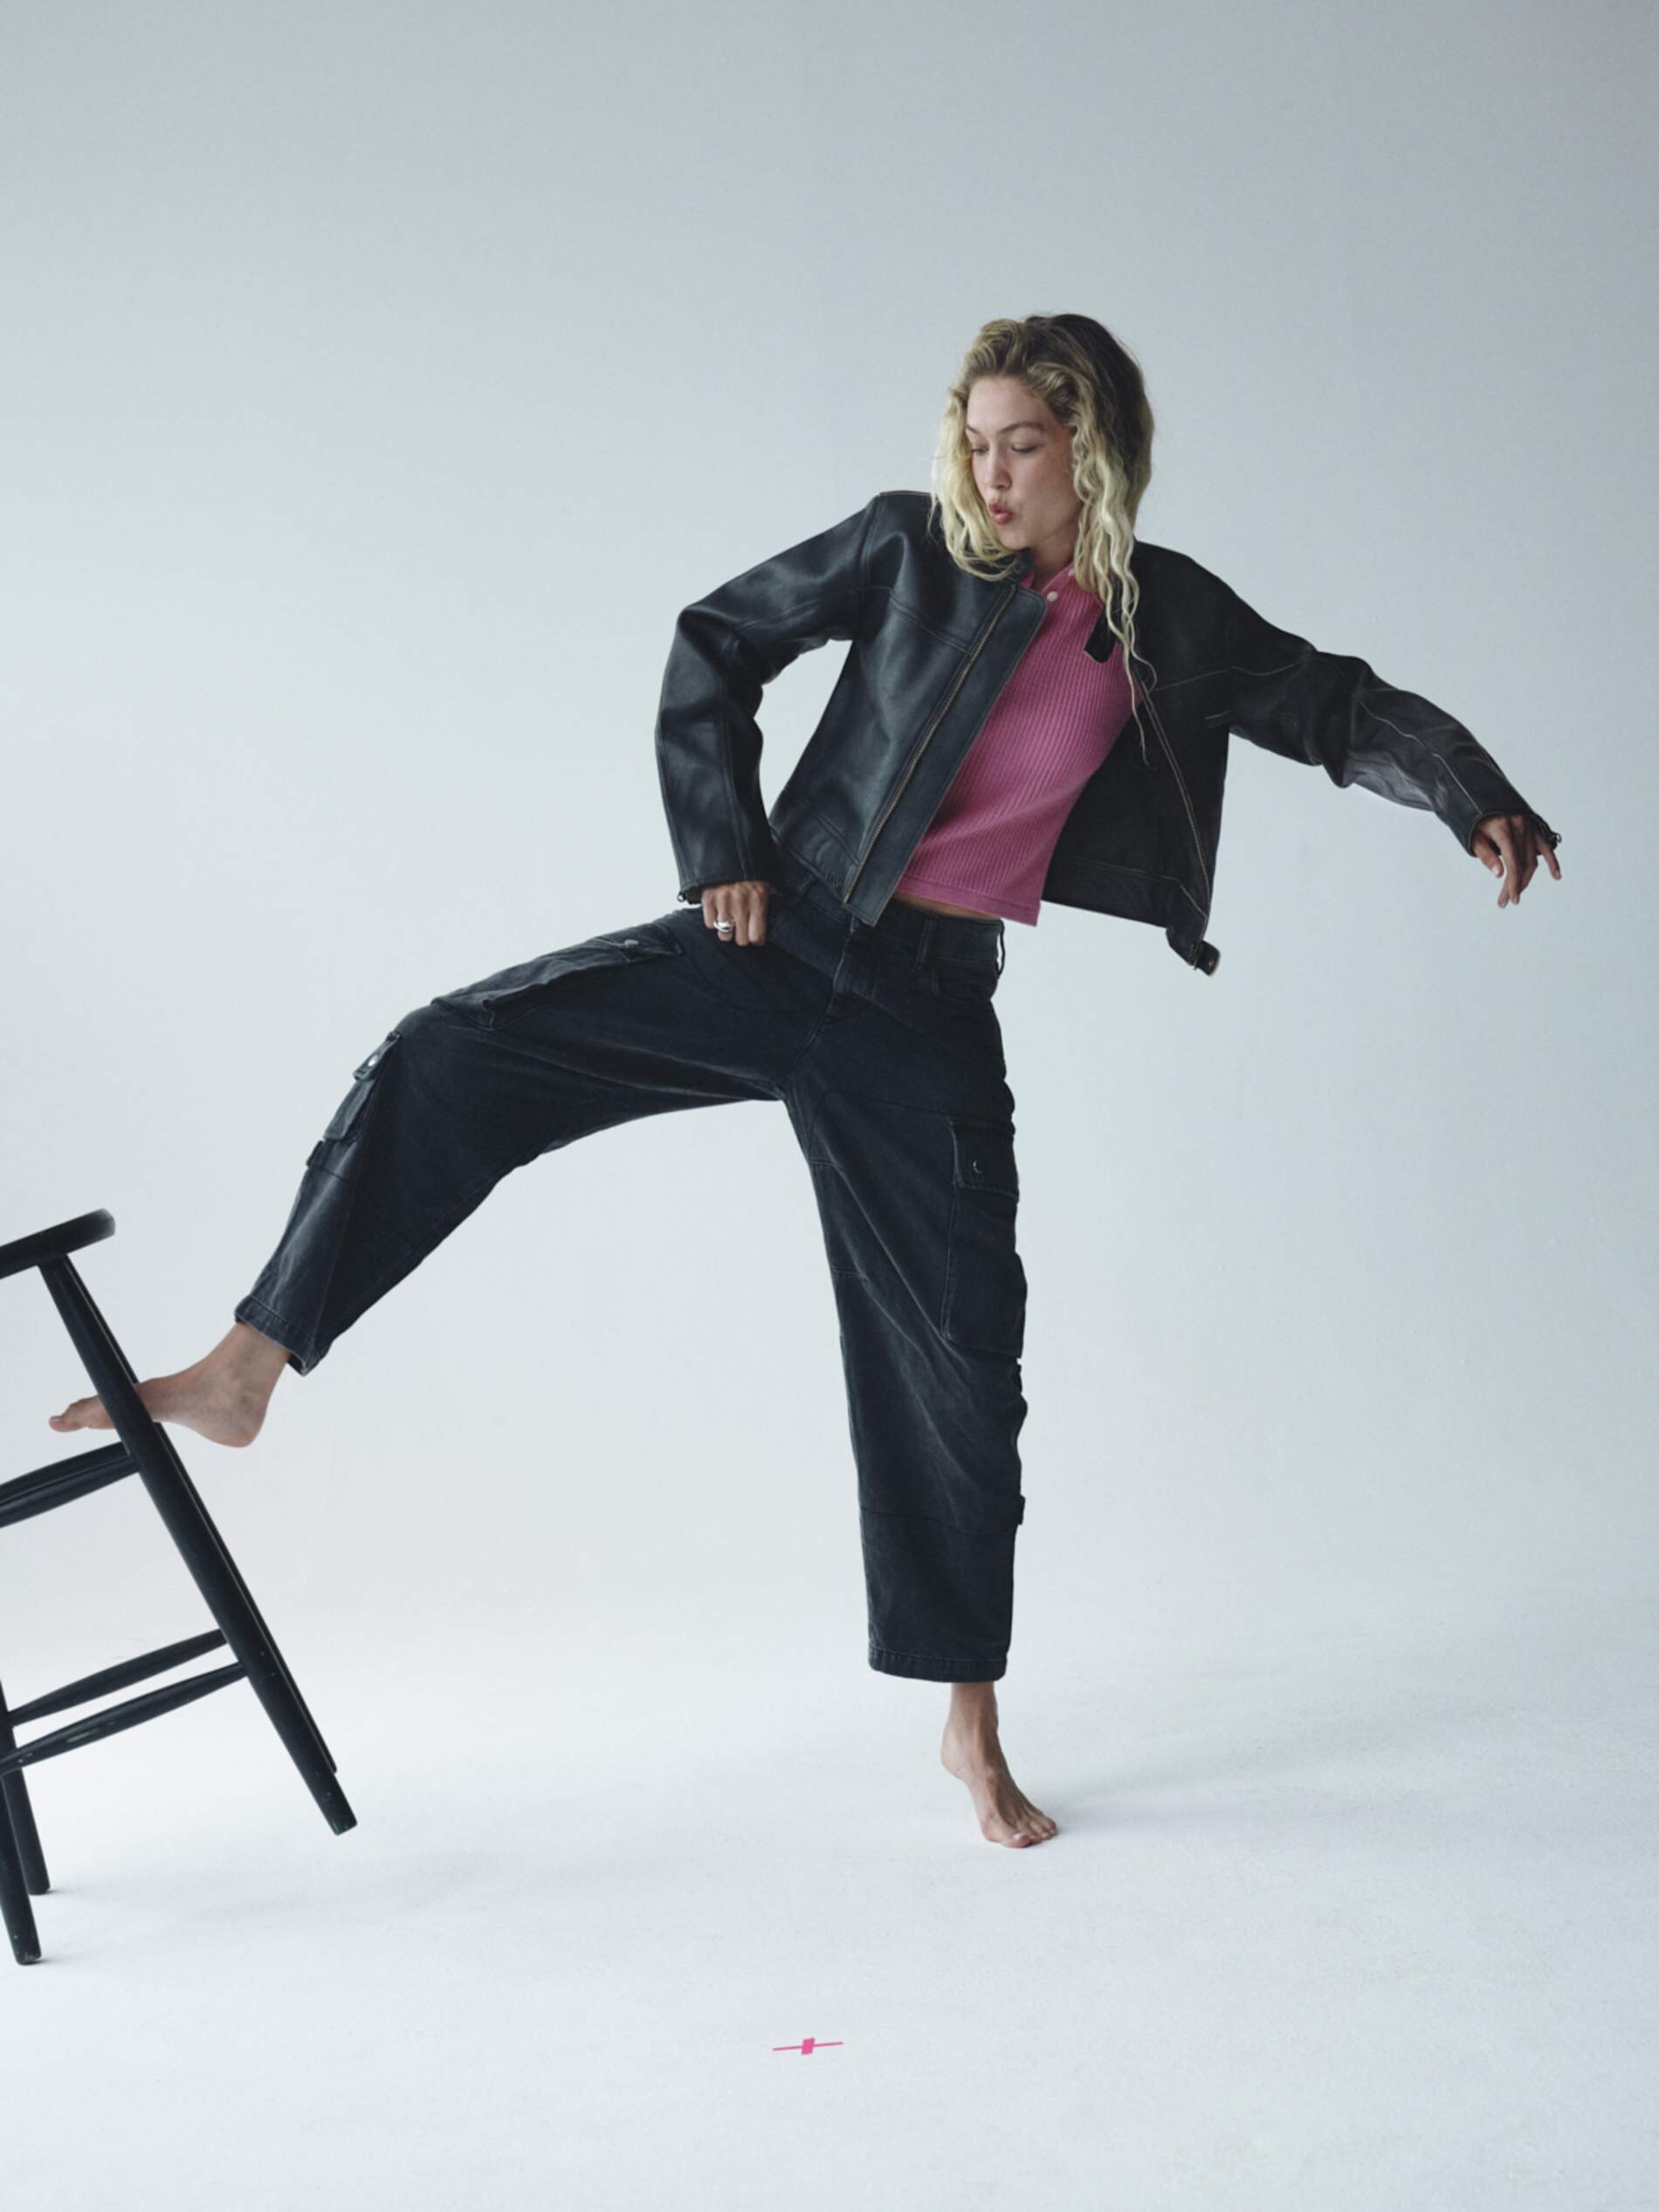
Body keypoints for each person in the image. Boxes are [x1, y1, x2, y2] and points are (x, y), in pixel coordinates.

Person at [48, 314, 1562, 1851]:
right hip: (782, 940)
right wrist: (724, 846)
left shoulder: (1161, 612)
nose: (990, 473)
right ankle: (248, 1364)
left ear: (1092, 451)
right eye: (975, 441)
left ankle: (971, 1726)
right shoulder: (910, 549)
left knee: (960, 1359)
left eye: (1023, 445)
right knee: (454, 1049)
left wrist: (1473, 796)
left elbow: (1335, 704)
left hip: (929, 1015)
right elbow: (716, 637)